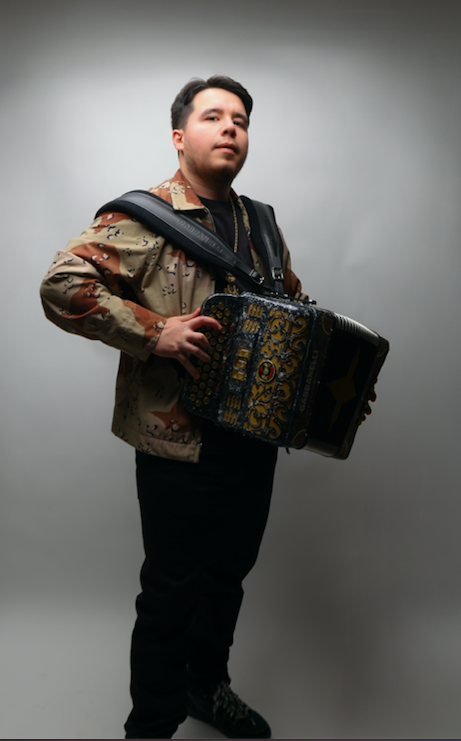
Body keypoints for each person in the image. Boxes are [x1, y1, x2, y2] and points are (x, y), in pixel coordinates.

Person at [40, 75, 356, 739]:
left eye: (240, 119)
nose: (230, 127)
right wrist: (155, 331)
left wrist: (337, 383)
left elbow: (294, 321)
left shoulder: (262, 224)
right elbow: (61, 284)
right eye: (213, 116)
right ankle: (152, 724)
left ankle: (205, 688)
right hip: (178, 442)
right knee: (171, 589)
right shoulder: (142, 216)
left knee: (226, 578)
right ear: (180, 137)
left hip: (253, 440)